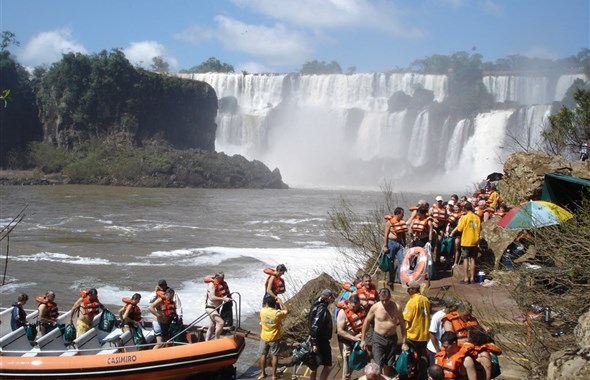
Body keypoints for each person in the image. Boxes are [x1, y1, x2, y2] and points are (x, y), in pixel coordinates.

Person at [361, 287, 407, 377]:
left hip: (392, 337)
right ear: (379, 298)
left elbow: (402, 325)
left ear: (390, 297)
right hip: (378, 338)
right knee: (378, 363)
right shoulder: (375, 307)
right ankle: (378, 377)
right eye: (382, 300)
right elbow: (366, 322)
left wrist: (404, 342)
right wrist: (363, 339)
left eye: (386, 300)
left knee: (389, 363)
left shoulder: (397, 307)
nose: (385, 303)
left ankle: (385, 378)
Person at [403, 281, 431, 380]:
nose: (407, 290)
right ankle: (422, 376)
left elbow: (406, 318)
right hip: (424, 335)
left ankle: (410, 376)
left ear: (414, 289)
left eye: (409, 288)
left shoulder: (411, 302)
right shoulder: (426, 300)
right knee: (422, 356)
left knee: (409, 357)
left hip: (412, 335)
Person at [259, 295, 289, 380]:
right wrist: (281, 302)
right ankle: (274, 375)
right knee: (275, 355)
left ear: (267, 304)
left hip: (264, 336)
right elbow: (286, 311)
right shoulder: (277, 313)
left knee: (263, 354)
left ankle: (262, 373)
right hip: (274, 337)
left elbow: (261, 321)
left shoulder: (262, 311)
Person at [450, 202, 481, 284]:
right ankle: (473, 278)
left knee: (466, 259)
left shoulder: (464, 217)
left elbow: (459, 229)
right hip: (475, 241)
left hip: (466, 241)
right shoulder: (477, 217)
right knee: (473, 259)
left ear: (465, 209)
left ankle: (466, 278)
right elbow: (480, 228)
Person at [336, 294, 366, 380]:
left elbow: (364, 324)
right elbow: (340, 331)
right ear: (349, 303)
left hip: (357, 341)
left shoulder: (361, 310)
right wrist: (354, 338)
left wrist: (361, 336)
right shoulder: (342, 313)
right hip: (346, 342)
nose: (355, 309)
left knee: (353, 365)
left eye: (357, 307)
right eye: (353, 307)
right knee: (347, 369)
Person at [308, 288, 335, 380]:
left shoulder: (315, 304)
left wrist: (313, 341)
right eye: (331, 298)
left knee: (313, 366)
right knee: (327, 365)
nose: (332, 300)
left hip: (314, 339)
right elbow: (315, 326)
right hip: (321, 340)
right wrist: (315, 343)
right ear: (329, 297)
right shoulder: (322, 309)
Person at [427, 298, 459, 365]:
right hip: (435, 348)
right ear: (450, 307)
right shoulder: (438, 316)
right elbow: (432, 334)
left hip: (447, 348)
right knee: (436, 369)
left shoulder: (453, 316)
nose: (456, 308)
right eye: (455, 307)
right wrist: (437, 350)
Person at [383, 207, 407, 286]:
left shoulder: (402, 222)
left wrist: (404, 242)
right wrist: (385, 246)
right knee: (391, 261)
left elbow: (403, 233)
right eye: (402, 214)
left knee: (402, 261)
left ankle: (401, 279)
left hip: (399, 243)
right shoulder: (389, 223)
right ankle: (391, 279)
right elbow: (386, 235)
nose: (403, 215)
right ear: (398, 213)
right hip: (391, 243)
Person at [205, 272, 232, 341]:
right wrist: (223, 299)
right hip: (210, 308)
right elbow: (212, 297)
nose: (223, 280)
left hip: (217, 308)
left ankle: (206, 341)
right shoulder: (212, 284)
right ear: (217, 278)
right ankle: (217, 339)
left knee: (211, 326)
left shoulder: (222, 284)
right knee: (221, 322)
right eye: (222, 278)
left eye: (223, 278)